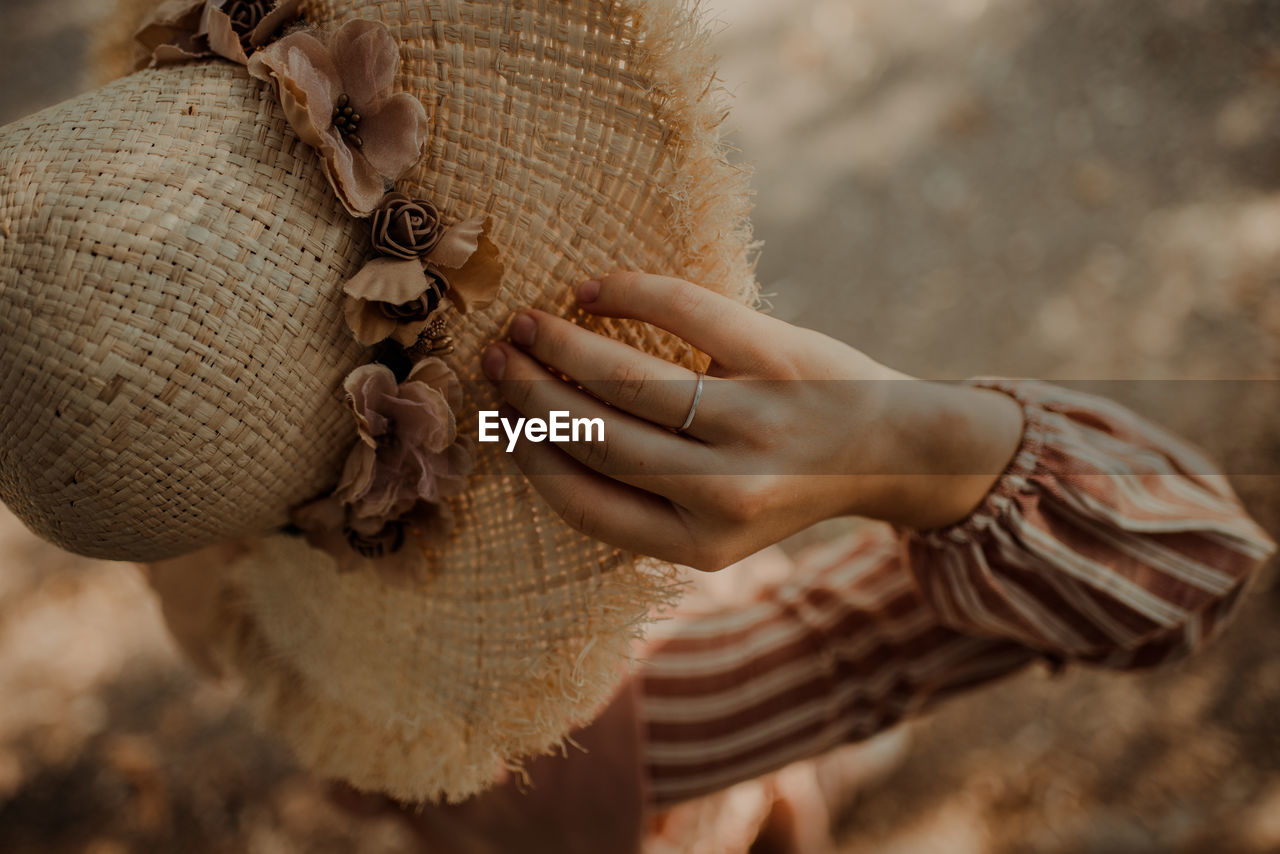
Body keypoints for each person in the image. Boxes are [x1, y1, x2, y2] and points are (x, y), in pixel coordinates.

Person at [394, 270, 1274, 852]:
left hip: (474, 747)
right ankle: (805, 783)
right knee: (843, 687)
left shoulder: (312, 634)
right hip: (655, 745)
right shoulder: (618, 712)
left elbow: (502, 423)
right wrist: (899, 442)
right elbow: (1196, 563)